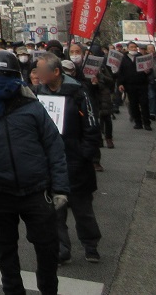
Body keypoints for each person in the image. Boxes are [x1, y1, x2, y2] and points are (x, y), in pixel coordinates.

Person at [0, 50, 69, 295]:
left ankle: (49, 290)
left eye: (6, 75)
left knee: (47, 248)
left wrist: (60, 188)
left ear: (17, 76)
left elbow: (54, 147)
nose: (0, 79)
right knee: (5, 250)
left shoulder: (32, 105)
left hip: (37, 191)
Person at [36, 52, 103, 264]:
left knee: (83, 208)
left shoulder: (79, 92)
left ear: (56, 72)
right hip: (50, 161)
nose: (38, 74)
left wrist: (84, 154)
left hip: (76, 161)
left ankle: (90, 245)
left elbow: (92, 126)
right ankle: (62, 249)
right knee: (55, 210)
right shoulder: (37, 93)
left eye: (42, 70)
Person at [117, 41, 153, 131]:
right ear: (128, 48)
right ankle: (138, 122)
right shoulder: (123, 58)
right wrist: (120, 83)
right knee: (133, 104)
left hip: (142, 84)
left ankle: (147, 123)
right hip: (130, 85)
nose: (133, 49)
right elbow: (121, 72)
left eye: (135, 47)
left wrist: (148, 71)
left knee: (144, 104)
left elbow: (150, 70)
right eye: (131, 47)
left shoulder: (141, 57)